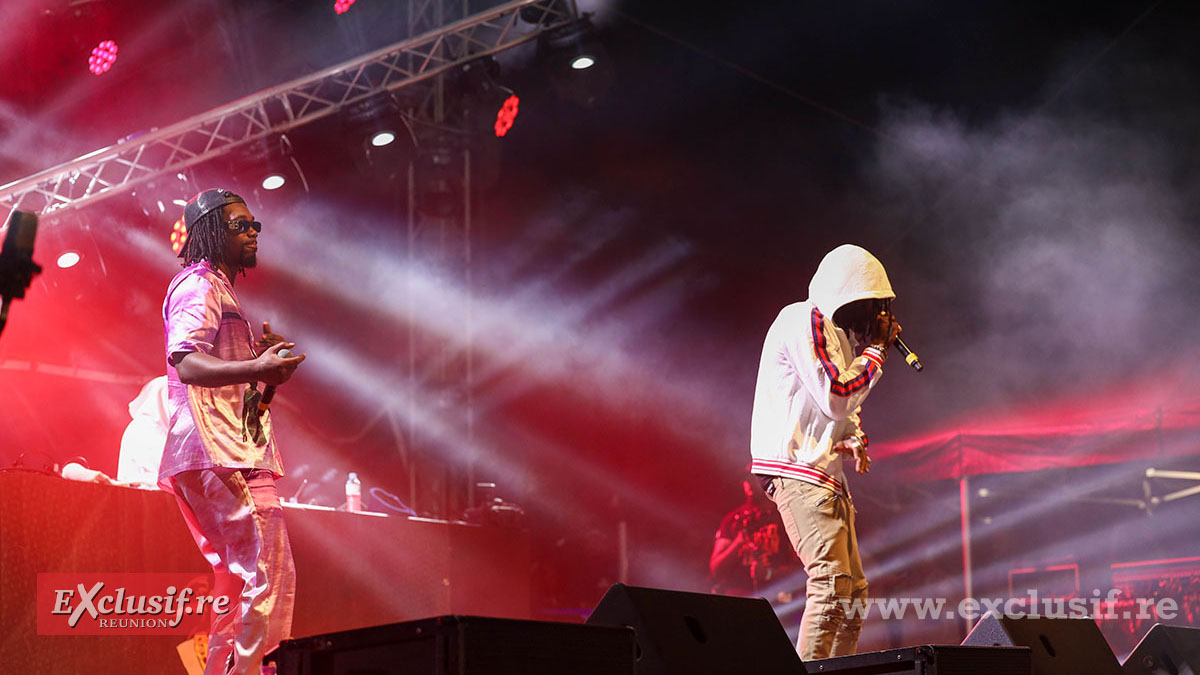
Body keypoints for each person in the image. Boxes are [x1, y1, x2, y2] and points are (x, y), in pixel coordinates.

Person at [160, 188, 306, 675]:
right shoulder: (198, 286)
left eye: (255, 226)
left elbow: (241, 405)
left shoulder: (222, 292)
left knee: (240, 580)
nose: (254, 233)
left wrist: (264, 379)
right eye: (242, 225)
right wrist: (253, 363)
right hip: (216, 453)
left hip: (225, 448)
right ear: (211, 232)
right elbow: (184, 361)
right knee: (268, 575)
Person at [749, 244, 901, 660]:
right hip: (798, 470)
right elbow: (835, 393)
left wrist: (852, 436)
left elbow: (838, 405)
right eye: (872, 306)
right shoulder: (804, 318)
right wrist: (878, 352)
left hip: (823, 474)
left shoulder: (833, 336)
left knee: (852, 593)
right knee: (832, 584)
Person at [708, 470, 795, 598]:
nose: (749, 483)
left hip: (777, 598)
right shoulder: (733, 520)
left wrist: (768, 573)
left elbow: (802, 569)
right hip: (737, 597)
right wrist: (738, 543)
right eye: (746, 479)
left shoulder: (784, 515)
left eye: (754, 477)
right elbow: (715, 569)